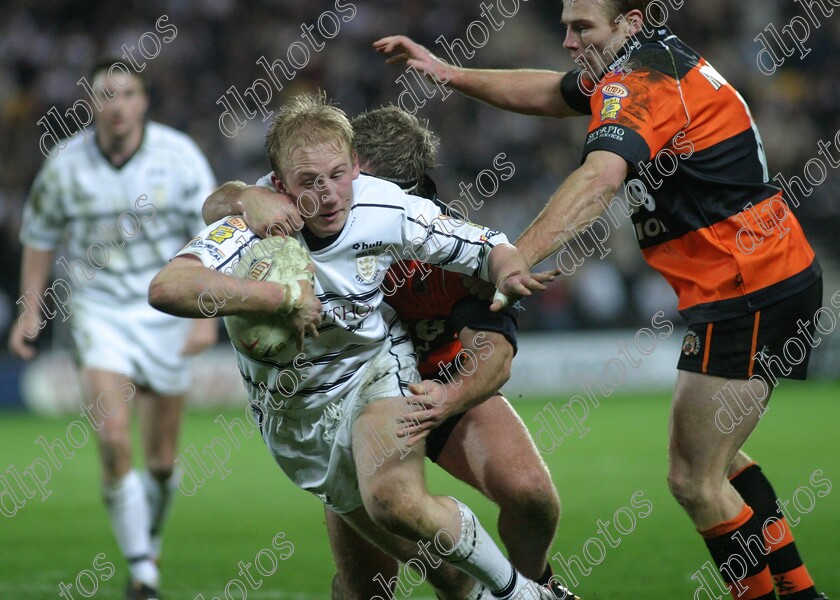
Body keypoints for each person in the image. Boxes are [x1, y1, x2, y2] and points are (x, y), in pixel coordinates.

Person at [375, 2, 826, 599]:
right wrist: (450, 73)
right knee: (721, 462)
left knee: (695, 480)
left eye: (582, 27)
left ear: (631, 21)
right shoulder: (643, 61)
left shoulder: (641, 81)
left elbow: (598, 180)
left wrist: (512, 258)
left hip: (745, 287)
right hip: (767, 275)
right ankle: (799, 592)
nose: (567, 40)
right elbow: (553, 92)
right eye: (565, 24)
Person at [149, 92, 556, 600]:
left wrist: (507, 266)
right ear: (279, 186)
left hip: (376, 373)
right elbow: (168, 287)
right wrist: (279, 296)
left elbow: (484, 244)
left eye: (338, 176)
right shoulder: (254, 225)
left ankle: (527, 593)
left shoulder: (386, 205)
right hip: (295, 415)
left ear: (357, 168)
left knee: (395, 500)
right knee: (396, 582)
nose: (328, 195)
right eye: (309, 183)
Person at [8, 59, 218, 600]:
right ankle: (143, 573)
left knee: (164, 463)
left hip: (166, 309)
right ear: (93, 103)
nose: (118, 104)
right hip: (98, 310)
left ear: (144, 101)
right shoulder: (65, 163)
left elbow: (217, 236)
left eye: (128, 93)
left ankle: (145, 541)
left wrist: (209, 314)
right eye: (107, 94)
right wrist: (31, 310)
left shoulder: (179, 157)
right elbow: (39, 236)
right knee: (113, 437)